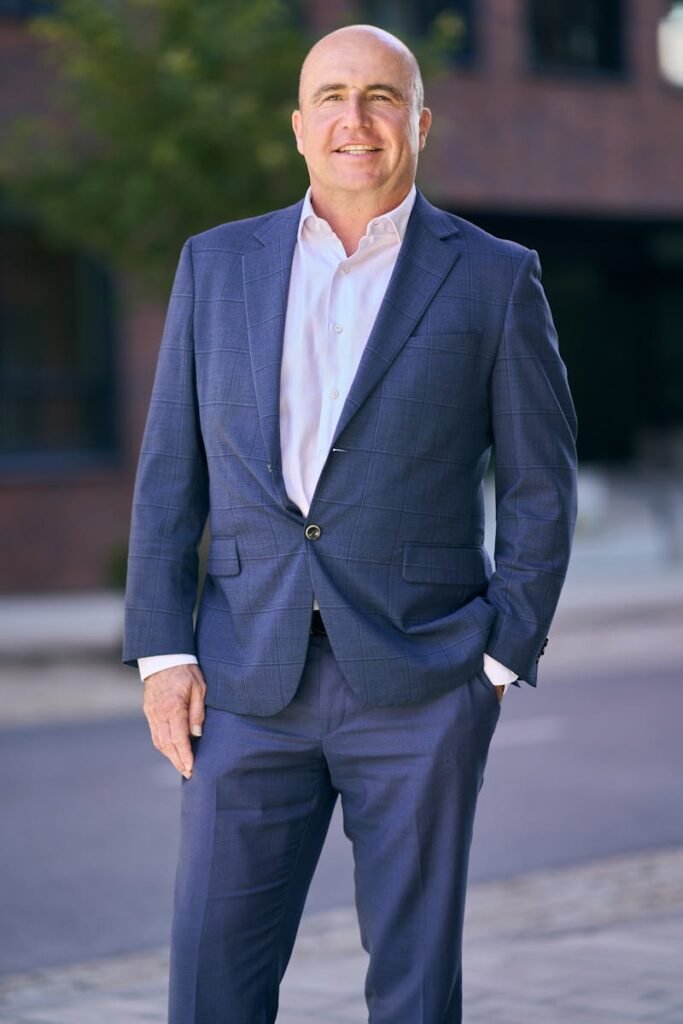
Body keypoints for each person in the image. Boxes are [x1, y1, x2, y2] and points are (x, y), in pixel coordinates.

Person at [123, 23, 577, 1024]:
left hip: (423, 678)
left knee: (413, 990)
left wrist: (497, 656)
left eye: (379, 96)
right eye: (330, 95)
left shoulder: (494, 276)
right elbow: (170, 477)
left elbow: (541, 483)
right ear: (296, 126)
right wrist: (162, 652)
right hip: (241, 681)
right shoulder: (216, 265)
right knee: (210, 982)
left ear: (417, 121)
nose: (354, 119)